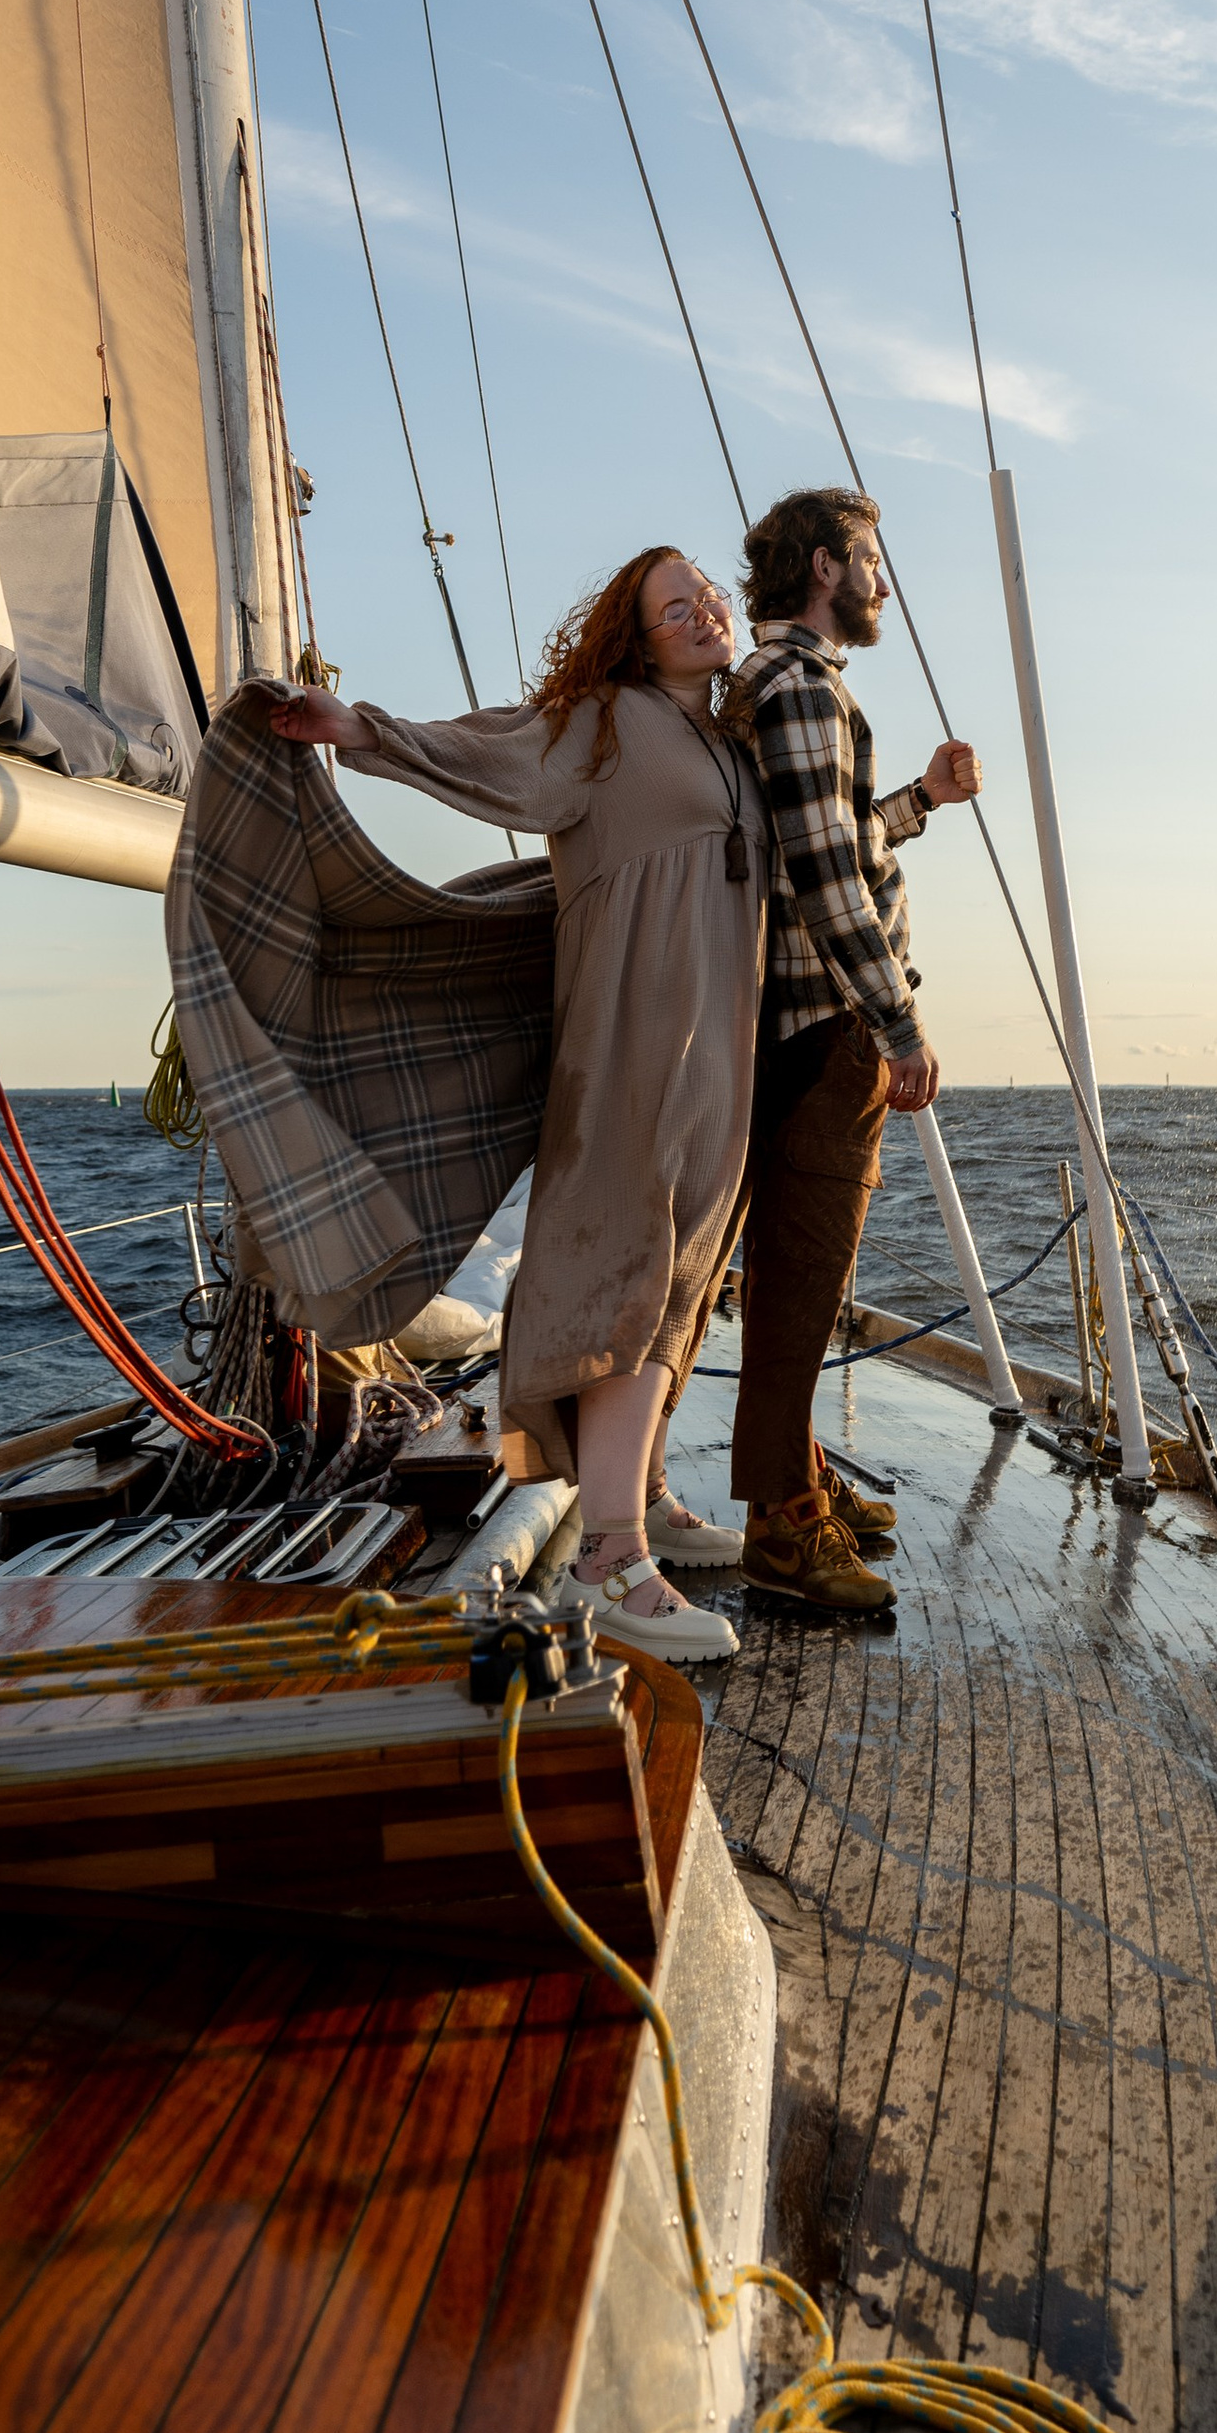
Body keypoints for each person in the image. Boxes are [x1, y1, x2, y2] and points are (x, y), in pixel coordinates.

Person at [269, 548, 764, 1662]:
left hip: (720, 1050)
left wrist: (918, 803)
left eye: (708, 595)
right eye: (674, 607)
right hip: (631, 1048)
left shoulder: (736, 739)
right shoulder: (601, 722)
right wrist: (359, 728)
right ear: (636, 637)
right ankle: (607, 1559)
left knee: (682, 1278)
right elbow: (488, 751)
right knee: (626, 1279)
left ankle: (641, 1490)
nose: (702, 612)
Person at [727, 486, 982, 1609]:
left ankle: (796, 1473)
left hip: (803, 1023)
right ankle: (782, 1530)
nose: (882, 580)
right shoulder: (801, 689)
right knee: (802, 1278)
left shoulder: (777, 684)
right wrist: (898, 1022)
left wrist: (920, 799)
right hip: (825, 1027)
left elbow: (828, 838)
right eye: (870, 559)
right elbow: (826, 881)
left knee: (796, 1274)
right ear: (827, 567)